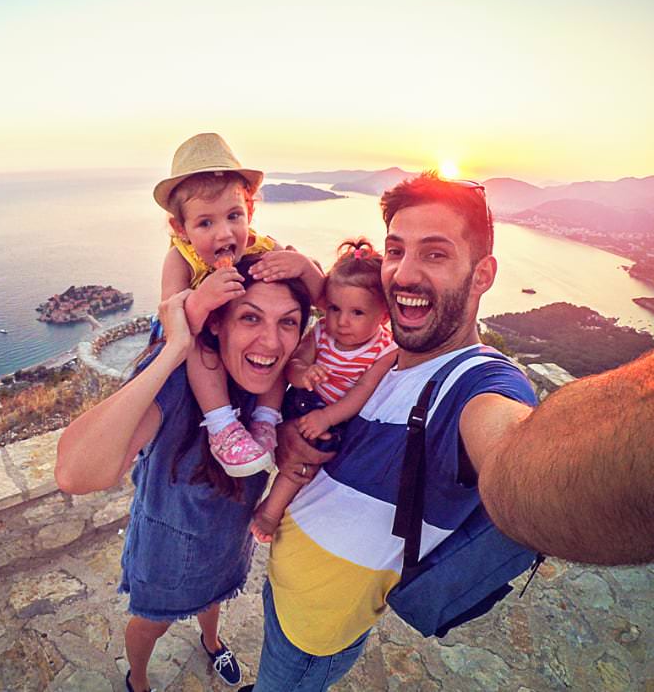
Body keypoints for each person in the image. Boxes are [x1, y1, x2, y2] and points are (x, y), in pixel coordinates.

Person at [241, 171, 654, 691]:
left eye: (434, 255)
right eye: (396, 251)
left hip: (318, 630)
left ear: (482, 275)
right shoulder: (378, 361)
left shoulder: (476, 383)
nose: (404, 275)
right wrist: (289, 437)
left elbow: (517, 464)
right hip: (283, 587)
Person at [56, 258, 314, 692]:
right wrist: (175, 347)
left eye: (288, 322)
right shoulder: (179, 387)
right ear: (216, 325)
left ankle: (211, 642)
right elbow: (74, 474)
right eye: (250, 317)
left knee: (213, 599)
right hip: (167, 548)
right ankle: (137, 680)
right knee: (151, 624)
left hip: (228, 540)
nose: (271, 341)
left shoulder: (276, 387)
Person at [155, 133, 325, 479]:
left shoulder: (263, 246)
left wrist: (304, 267)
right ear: (180, 228)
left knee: (273, 343)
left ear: (250, 210)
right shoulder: (180, 259)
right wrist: (201, 301)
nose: (224, 234)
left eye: (233, 216)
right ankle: (222, 427)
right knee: (201, 352)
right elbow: (171, 322)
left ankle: (265, 420)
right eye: (205, 223)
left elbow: (322, 299)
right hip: (197, 337)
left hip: (240, 339)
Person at [250, 238, 396, 543]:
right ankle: (269, 511)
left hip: (336, 414)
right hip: (303, 402)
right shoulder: (321, 333)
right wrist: (305, 374)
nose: (342, 322)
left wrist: (328, 417)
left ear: (382, 316)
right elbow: (294, 364)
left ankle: (283, 507)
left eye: (357, 313)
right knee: (309, 454)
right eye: (334, 309)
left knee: (318, 451)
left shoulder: (383, 350)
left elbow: (363, 391)